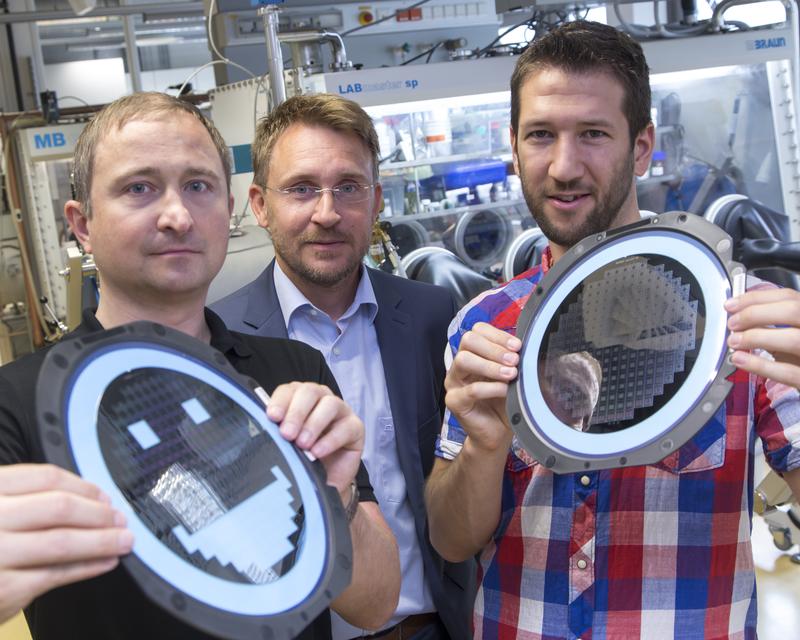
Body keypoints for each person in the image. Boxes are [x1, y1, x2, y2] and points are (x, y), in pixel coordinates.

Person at [424, 21, 800, 639]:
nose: (564, 166)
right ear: (513, 147)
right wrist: (483, 448)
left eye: (593, 134)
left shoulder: (738, 317)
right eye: (541, 135)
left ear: (642, 145)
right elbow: (451, 538)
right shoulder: (485, 325)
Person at [0, 92, 400, 639]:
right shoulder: (19, 403)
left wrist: (338, 497)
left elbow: (375, 607)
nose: (177, 216)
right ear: (82, 224)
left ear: (229, 206)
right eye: (139, 188)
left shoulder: (293, 372)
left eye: (198, 186)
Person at [212, 94, 473, 640]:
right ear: (260, 204)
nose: (327, 213)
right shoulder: (220, 340)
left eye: (348, 187)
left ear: (376, 200)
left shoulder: (431, 317)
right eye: (301, 188)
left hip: (432, 626)